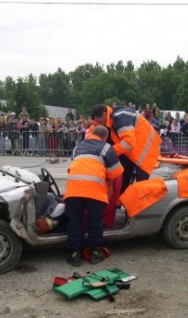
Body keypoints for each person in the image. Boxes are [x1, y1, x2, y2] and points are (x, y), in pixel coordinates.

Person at [64, 125, 124, 266]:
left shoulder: (77, 147)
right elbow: (116, 172)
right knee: (95, 222)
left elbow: (72, 167)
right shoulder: (106, 147)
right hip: (95, 192)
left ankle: (74, 255)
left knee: (74, 222)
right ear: (105, 137)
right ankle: (95, 253)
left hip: (74, 191)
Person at [90, 104, 162, 193]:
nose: (100, 125)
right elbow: (93, 133)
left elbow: (128, 144)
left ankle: (141, 205)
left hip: (145, 149)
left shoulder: (121, 117)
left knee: (141, 184)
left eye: (100, 121)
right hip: (133, 150)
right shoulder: (110, 119)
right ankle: (120, 202)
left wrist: (108, 152)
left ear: (104, 114)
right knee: (123, 176)